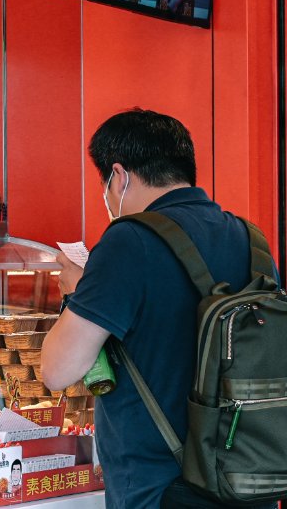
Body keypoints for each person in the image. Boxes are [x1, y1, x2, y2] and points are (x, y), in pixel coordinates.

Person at [41, 109, 278, 509]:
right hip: (250, 482)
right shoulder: (251, 241)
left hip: (162, 490)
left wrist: (77, 292)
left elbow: (58, 369)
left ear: (120, 175)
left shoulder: (128, 242)